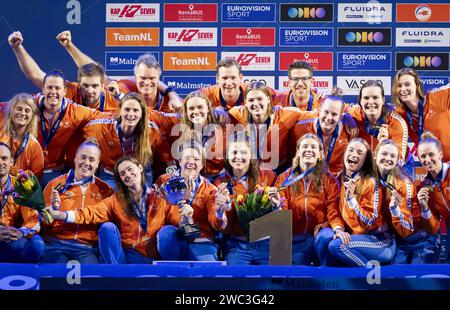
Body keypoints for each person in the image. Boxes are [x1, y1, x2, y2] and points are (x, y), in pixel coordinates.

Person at [47, 156, 181, 264]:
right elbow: (91, 212)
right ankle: (116, 276)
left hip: (152, 254)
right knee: (107, 227)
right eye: (122, 173)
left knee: (168, 231)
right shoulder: (116, 200)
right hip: (126, 256)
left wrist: (186, 218)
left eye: (129, 169)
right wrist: (62, 215)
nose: (127, 175)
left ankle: (173, 275)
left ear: (140, 168)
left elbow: (177, 221)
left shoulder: (160, 197)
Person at [8, 31, 118, 113]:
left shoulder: (115, 97)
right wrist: (17, 48)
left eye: (94, 86)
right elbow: (35, 75)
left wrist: (69, 46)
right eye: (85, 85)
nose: (90, 90)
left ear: (103, 85)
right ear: (78, 84)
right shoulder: (70, 91)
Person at [41, 139, 113, 263]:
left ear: (97, 165)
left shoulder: (105, 190)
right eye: (83, 157)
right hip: (56, 245)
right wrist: (53, 210)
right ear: (75, 158)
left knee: (91, 278)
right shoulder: (55, 184)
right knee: (56, 277)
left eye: (91, 160)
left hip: (86, 249)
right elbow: (42, 222)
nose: (86, 162)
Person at [327, 138, 396, 266]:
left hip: (380, 240)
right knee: (326, 240)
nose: (354, 154)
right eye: (351, 150)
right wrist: (339, 230)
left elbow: (370, 221)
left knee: (337, 246)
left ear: (365, 160)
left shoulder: (370, 182)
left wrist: (351, 199)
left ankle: (370, 277)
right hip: (356, 237)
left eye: (359, 153)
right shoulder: (338, 179)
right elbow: (333, 211)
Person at [275, 134, 341, 265]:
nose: (309, 150)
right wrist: (277, 207)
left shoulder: (329, 180)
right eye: (305, 146)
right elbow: (282, 211)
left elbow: (333, 211)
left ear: (319, 154)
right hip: (294, 239)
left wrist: (337, 229)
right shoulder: (284, 178)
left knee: (327, 236)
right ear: (298, 152)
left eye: (313, 147)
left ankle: (326, 277)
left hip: (317, 237)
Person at [156, 142, 229, 261]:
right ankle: (171, 275)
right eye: (187, 158)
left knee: (208, 272)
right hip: (173, 237)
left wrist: (220, 212)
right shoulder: (165, 181)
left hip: (200, 240)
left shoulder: (210, 190)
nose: (191, 162)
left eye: (196, 159)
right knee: (165, 234)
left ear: (202, 165)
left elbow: (218, 225)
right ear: (180, 161)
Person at [83, 92, 170, 190]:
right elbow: (83, 136)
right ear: (120, 111)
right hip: (111, 173)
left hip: (140, 171)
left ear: (142, 113)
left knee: (140, 202)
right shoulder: (100, 128)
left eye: (135, 110)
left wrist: (171, 172)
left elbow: (166, 155)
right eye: (127, 109)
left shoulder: (151, 131)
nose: (131, 114)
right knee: (113, 202)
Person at [213, 138, 278, 265]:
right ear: (227, 157)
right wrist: (223, 210)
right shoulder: (220, 183)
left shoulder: (268, 176)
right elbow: (224, 227)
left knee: (274, 283)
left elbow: (281, 211)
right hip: (237, 246)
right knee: (237, 283)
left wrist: (276, 205)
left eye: (244, 153)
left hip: (267, 244)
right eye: (234, 153)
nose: (238, 157)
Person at [228, 82, 316, 173]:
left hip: (278, 170)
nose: (256, 103)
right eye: (251, 100)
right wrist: (220, 112)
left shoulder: (284, 115)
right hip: (248, 171)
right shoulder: (237, 114)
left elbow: (314, 115)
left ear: (268, 99)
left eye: (259, 99)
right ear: (245, 102)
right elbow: (220, 115)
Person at [373, 139, 436, 264]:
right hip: (398, 241)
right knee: (394, 279)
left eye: (392, 156)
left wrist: (395, 210)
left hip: (420, 240)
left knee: (417, 278)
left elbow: (407, 229)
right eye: (384, 154)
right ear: (375, 155)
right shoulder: (370, 180)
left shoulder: (403, 184)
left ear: (398, 160)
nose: (388, 158)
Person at [392, 68, 450, 162]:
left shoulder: (439, 97)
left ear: (417, 85)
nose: (403, 89)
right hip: (436, 169)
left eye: (407, 84)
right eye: (399, 86)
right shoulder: (400, 114)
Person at [0, 142, 44, 263]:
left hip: (13, 238)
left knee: (37, 244)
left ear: (11, 162)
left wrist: (20, 232)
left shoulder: (21, 185)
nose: (0, 163)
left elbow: (33, 219)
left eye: (4, 158)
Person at [287, 95, 351, 176]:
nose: (328, 118)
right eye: (326, 112)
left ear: (340, 116)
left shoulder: (348, 132)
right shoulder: (301, 128)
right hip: (307, 178)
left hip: (335, 182)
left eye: (334, 114)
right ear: (319, 110)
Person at [350, 80, 409, 162]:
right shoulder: (353, 116)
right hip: (366, 166)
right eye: (366, 98)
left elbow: (399, 163)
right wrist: (349, 121)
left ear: (383, 100)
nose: (370, 102)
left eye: (375, 97)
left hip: (398, 169)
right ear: (360, 101)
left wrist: (384, 144)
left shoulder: (395, 122)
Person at [171, 91, 226, 179]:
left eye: (200, 107)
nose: (196, 111)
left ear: (208, 108)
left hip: (219, 180)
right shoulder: (182, 133)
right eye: (191, 108)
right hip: (193, 181)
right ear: (186, 111)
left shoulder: (222, 130)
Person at [416, 132, 450, 263]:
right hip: (447, 231)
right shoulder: (424, 185)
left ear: (440, 154)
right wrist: (424, 207)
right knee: (440, 261)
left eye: (431, 154)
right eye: (423, 156)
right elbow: (434, 228)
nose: (427, 160)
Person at [0, 93, 44, 180]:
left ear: (32, 116)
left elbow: (36, 180)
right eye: (19, 109)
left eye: (27, 110)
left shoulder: (34, 146)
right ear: (11, 112)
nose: (22, 113)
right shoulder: (1, 137)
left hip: (21, 191)